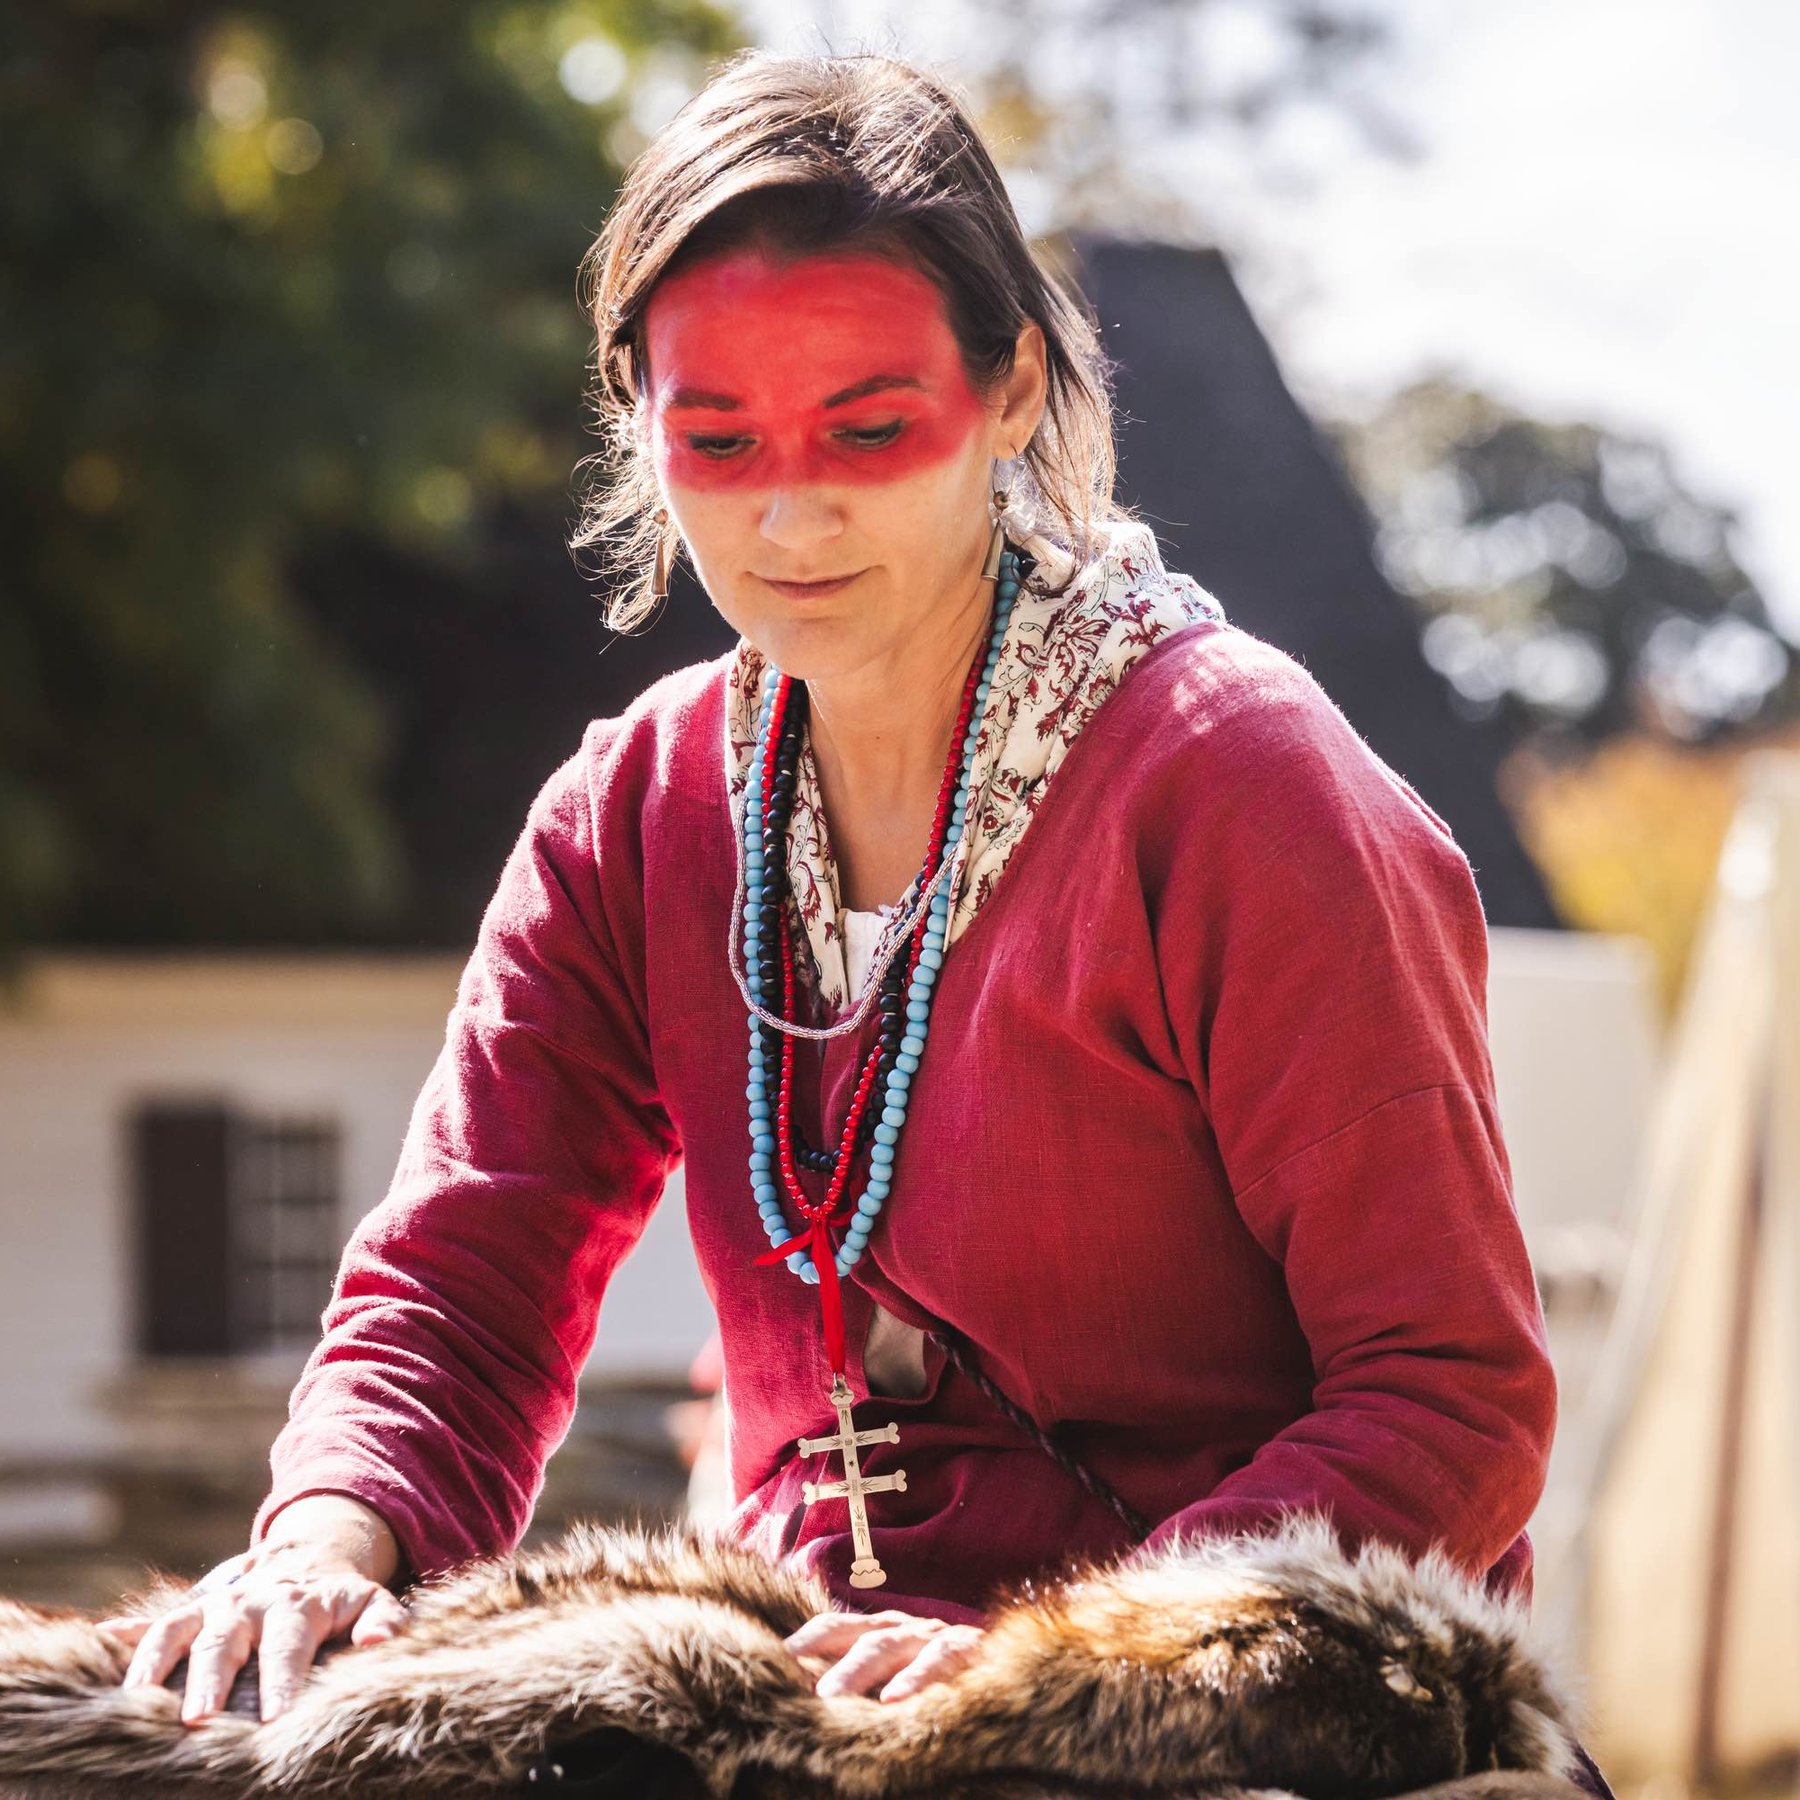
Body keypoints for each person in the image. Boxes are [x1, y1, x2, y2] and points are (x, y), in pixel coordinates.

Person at [105, 45, 1564, 1753]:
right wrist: (322, 1542)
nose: (791, 511)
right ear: (636, 417)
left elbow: (1450, 1394)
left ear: (1013, 389)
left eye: (871, 427)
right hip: (815, 1702)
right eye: (717, 437)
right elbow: (459, 1287)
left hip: (1244, 1712)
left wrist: (1063, 1662)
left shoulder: (1241, 783)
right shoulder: (633, 813)